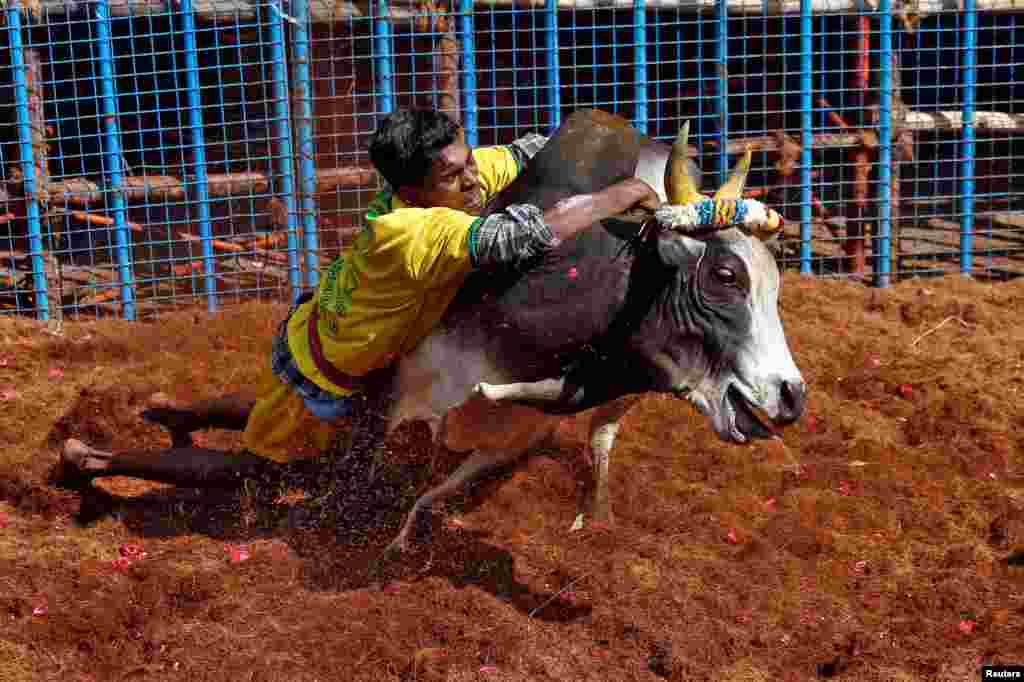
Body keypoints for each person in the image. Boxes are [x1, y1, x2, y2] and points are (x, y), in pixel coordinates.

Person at [58, 107, 661, 489]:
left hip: (321, 333)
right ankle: (101, 463)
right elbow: (532, 232)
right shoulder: (418, 232)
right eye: (454, 178)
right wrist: (630, 188)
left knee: (277, 409)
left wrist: (588, 143)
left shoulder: (437, 190)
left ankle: (185, 414)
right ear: (413, 190)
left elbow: (523, 153)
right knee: (262, 470)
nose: (473, 179)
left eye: (466, 160)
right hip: (328, 368)